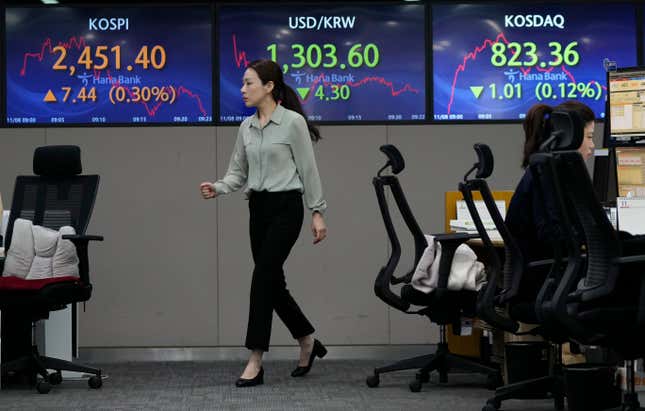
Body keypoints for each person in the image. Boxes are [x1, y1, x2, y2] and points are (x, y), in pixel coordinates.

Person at [200, 59, 328, 387]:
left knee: (262, 277)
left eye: (249, 83)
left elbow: (308, 169)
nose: (242, 89)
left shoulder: (293, 123)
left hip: (287, 208)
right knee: (273, 284)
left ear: (269, 87)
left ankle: (255, 358)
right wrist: (218, 187)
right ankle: (307, 340)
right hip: (258, 209)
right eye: (242, 84)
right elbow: (237, 173)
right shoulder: (246, 127)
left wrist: (317, 211)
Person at [505, 101, 595, 292]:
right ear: (571, 137)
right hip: (550, 283)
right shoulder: (551, 176)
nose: (592, 145)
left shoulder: (542, 170)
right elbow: (553, 235)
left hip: (540, 281)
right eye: (589, 136)